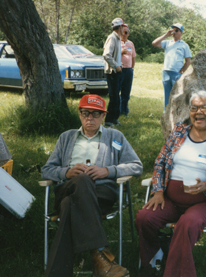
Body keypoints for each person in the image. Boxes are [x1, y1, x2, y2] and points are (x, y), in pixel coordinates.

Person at [135, 90, 206, 277]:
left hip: (203, 202)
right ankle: (155, 255)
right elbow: (160, 162)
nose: (198, 112)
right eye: (194, 108)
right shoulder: (179, 132)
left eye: (204, 107)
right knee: (144, 217)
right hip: (170, 200)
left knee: (187, 224)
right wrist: (158, 190)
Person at [42, 94, 143, 277]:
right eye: (86, 113)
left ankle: (57, 273)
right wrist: (66, 173)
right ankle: (100, 255)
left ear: (103, 116)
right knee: (81, 180)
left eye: (96, 114)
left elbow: (137, 166)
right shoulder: (66, 137)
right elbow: (46, 169)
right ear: (79, 114)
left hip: (101, 193)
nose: (90, 118)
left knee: (68, 206)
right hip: (68, 188)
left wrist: (108, 170)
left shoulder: (115, 136)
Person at [152, 23, 192, 108]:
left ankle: (176, 115)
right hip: (166, 72)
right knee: (167, 95)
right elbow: (154, 43)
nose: (174, 32)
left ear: (181, 32)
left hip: (176, 74)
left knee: (177, 95)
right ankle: (166, 114)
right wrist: (166, 35)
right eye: (173, 30)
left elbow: (188, 62)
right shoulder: (167, 43)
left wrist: (181, 72)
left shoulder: (184, 45)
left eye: (176, 30)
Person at [103, 17, 127, 127]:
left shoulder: (117, 38)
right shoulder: (112, 38)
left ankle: (114, 119)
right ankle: (108, 120)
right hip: (111, 72)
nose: (124, 29)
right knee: (113, 98)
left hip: (116, 71)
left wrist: (119, 65)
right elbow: (106, 55)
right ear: (120, 27)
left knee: (117, 97)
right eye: (123, 27)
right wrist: (116, 66)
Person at [120, 24, 136, 117]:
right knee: (117, 91)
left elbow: (133, 57)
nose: (124, 34)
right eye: (122, 32)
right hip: (120, 69)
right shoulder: (117, 42)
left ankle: (124, 111)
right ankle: (116, 111)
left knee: (126, 92)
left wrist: (132, 68)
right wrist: (121, 52)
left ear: (128, 33)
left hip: (129, 70)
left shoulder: (131, 44)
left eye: (126, 32)